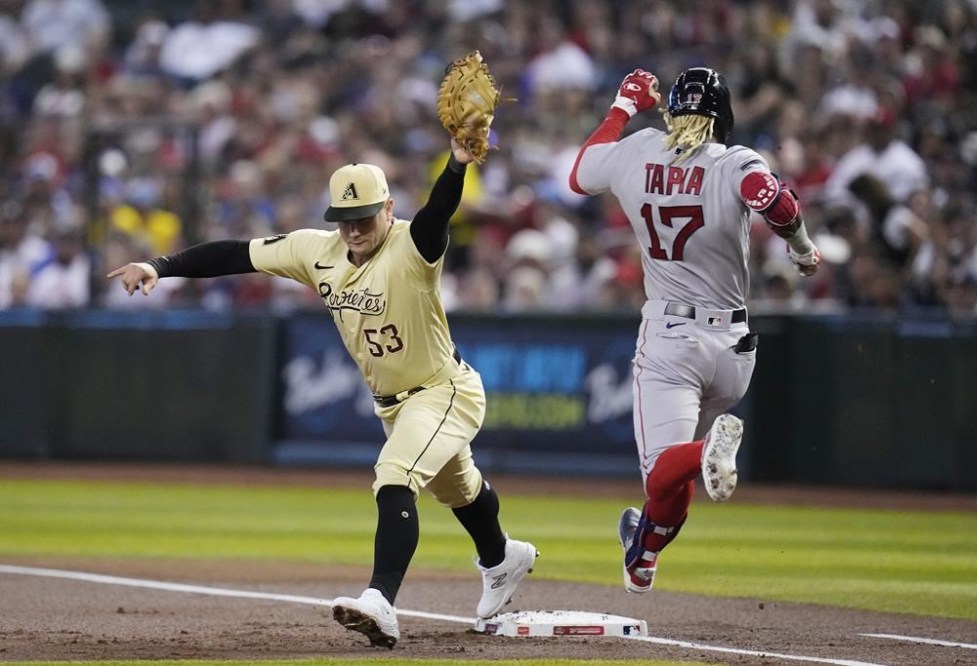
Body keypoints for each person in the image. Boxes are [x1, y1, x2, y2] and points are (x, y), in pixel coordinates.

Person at [108, 137, 538, 648]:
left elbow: (438, 212)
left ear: (388, 209)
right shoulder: (319, 250)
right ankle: (501, 557)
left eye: (365, 216)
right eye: (345, 217)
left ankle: (380, 600)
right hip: (395, 405)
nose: (354, 228)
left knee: (394, 475)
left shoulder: (413, 246)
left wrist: (457, 164)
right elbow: (237, 254)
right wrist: (161, 265)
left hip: (445, 391)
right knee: (458, 489)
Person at [568, 67, 821, 593]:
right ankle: (644, 554)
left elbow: (579, 174)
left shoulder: (639, 150)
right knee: (673, 480)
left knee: (664, 468)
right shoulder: (735, 162)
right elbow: (774, 202)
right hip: (734, 347)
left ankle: (707, 451)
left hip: (672, 337)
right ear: (723, 116)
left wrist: (622, 105)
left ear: (671, 112)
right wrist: (801, 249)